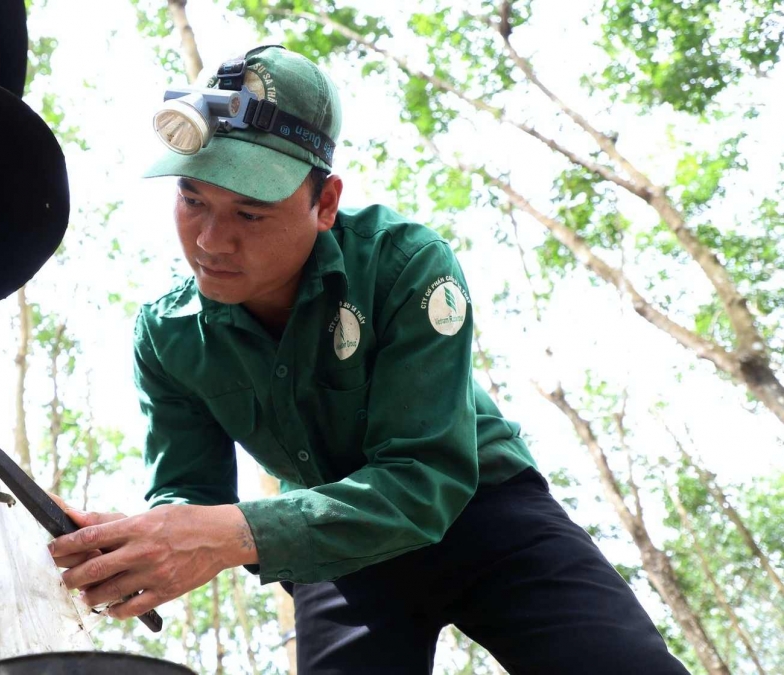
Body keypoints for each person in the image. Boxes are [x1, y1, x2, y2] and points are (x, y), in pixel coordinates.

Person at [48, 45, 688, 674]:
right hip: (331, 547)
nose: (211, 242)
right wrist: (146, 540)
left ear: (324, 204)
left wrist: (229, 535)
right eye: (193, 201)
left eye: (250, 211)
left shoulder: (405, 266)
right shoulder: (168, 335)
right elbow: (191, 492)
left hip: (480, 511)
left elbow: (423, 481)